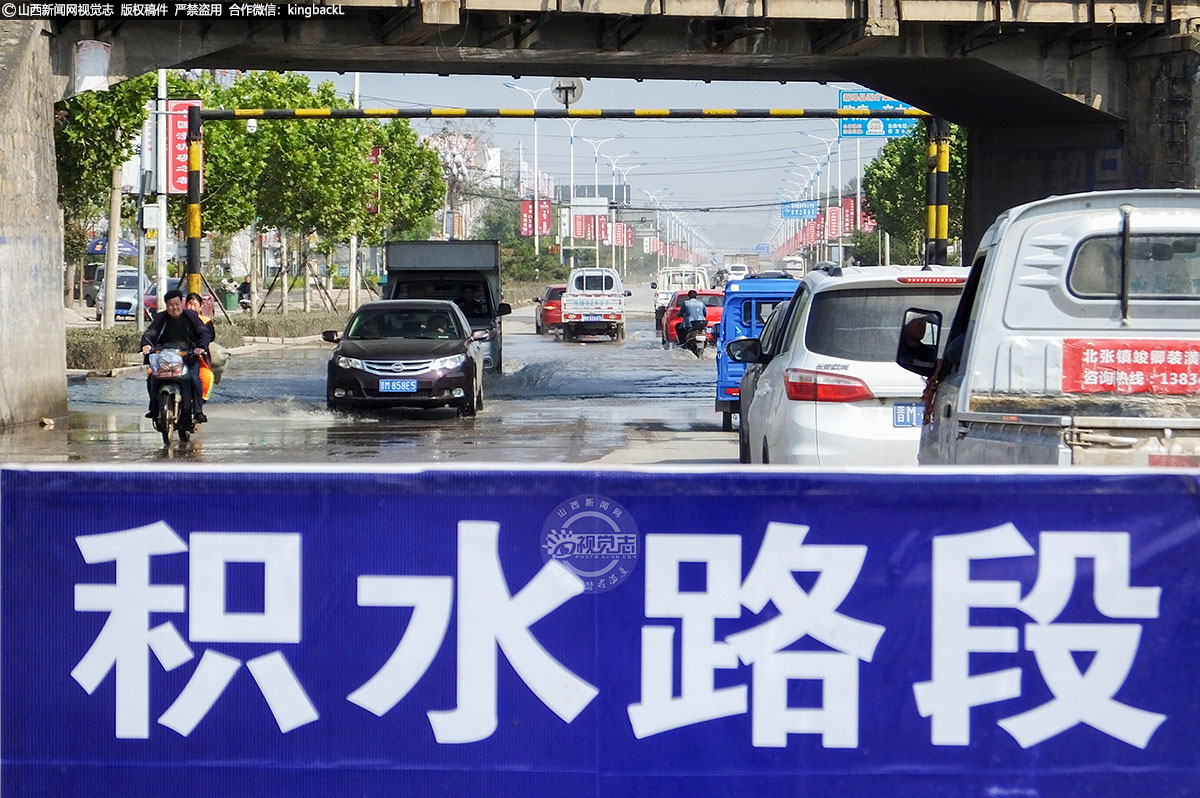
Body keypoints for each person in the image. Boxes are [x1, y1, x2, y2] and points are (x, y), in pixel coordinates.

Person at [140, 289, 211, 424]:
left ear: (181, 304)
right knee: (151, 378)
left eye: (177, 304)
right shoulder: (160, 318)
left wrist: (200, 347)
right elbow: (150, 333)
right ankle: (154, 409)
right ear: (166, 306)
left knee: (195, 379)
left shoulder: (191, 316)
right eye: (171, 305)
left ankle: (197, 411)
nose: (174, 308)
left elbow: (204, 333)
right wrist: (146, 345)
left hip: (188, 356)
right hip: (165, 357)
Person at [186, 293, 224, 403]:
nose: (191, 307)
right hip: (177, 357)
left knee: (206, 376)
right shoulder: (177, 319)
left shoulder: (205, 321)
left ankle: (199, 405)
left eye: (194, 305)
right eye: (189, 304)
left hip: (197, 357)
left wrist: (200, 347)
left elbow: (210, 337)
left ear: (200, 307)